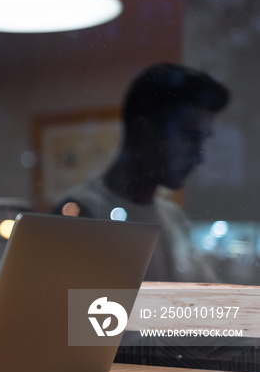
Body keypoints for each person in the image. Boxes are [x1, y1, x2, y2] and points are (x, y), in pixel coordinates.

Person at [52, 63, 230, 282]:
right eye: (190, 137)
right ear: (143, 133)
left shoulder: (174, 219)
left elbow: (210, 300)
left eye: (202, 139)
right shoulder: (79, 215)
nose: (199, 157)